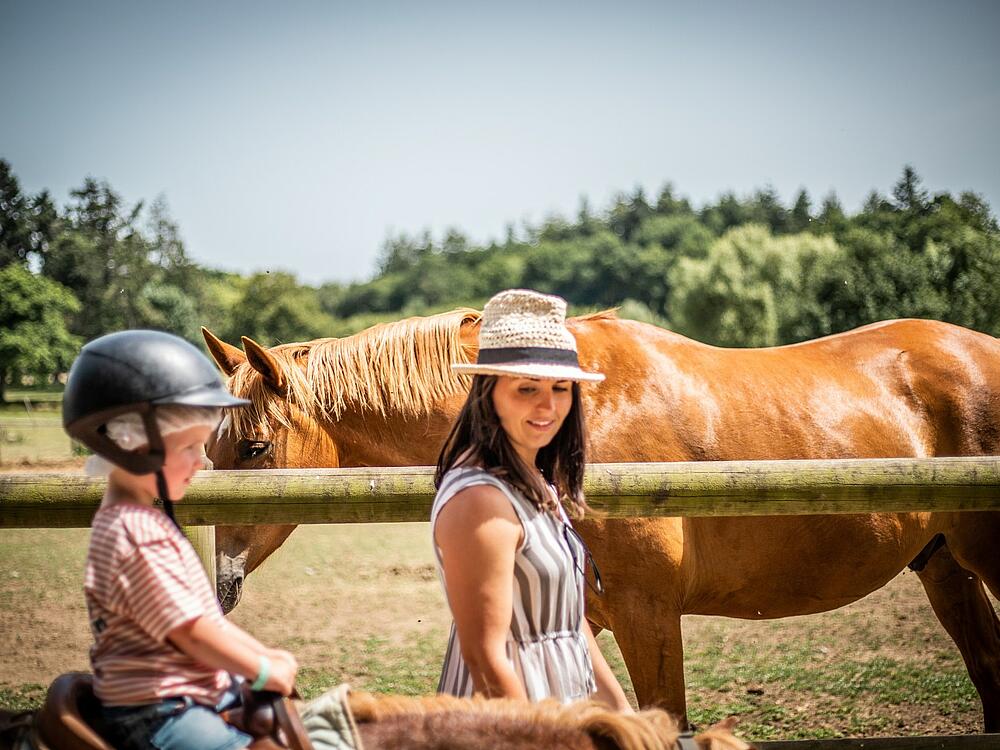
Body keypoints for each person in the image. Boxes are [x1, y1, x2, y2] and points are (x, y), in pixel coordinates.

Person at [62, 330, 298, 750]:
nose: (202, 462)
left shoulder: (143, 524)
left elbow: (205, 620)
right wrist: (262, 669)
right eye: (189, 447)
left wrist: (263, 655)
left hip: (188, 698)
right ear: (135, 446)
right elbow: (190, 632)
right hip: (162, 714)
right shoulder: (136, 535)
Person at [431, 289, 631, 710]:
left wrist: (626, 719)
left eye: (561, 387)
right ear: (488, 392)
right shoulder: (479, 500)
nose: (548, 405)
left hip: (560, 711)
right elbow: (486, 660)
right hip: (513, 722)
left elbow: (569, 626)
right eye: (527, 389)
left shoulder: (536, 483)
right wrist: (541, 736)